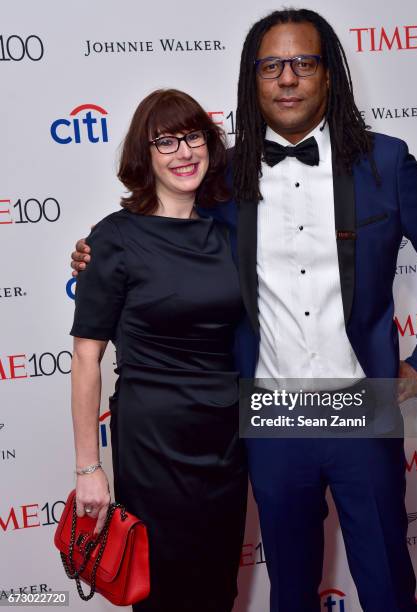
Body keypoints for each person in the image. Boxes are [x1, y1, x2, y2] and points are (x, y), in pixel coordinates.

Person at [72, 9, 417, 612]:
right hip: (269, 417)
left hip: (360, 408)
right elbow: (158, 233)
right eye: (271, 66)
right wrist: (92, 253)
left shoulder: (385, 163)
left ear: (328, 76)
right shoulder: (219, 177)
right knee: (290, 589)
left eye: (304, 63)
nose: (287, 78)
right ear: (253, 79)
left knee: (389, 581)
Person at [70, 88, 247, 612]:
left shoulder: (229, 235)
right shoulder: (114, 239)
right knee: (164, 587)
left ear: (210, 145)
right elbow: (85, 358)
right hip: (154, 439)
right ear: (143, 157)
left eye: (192, 136)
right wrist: (88, 468)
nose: (183, 151)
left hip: (226, 435)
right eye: (164, 141)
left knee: (219, 586)